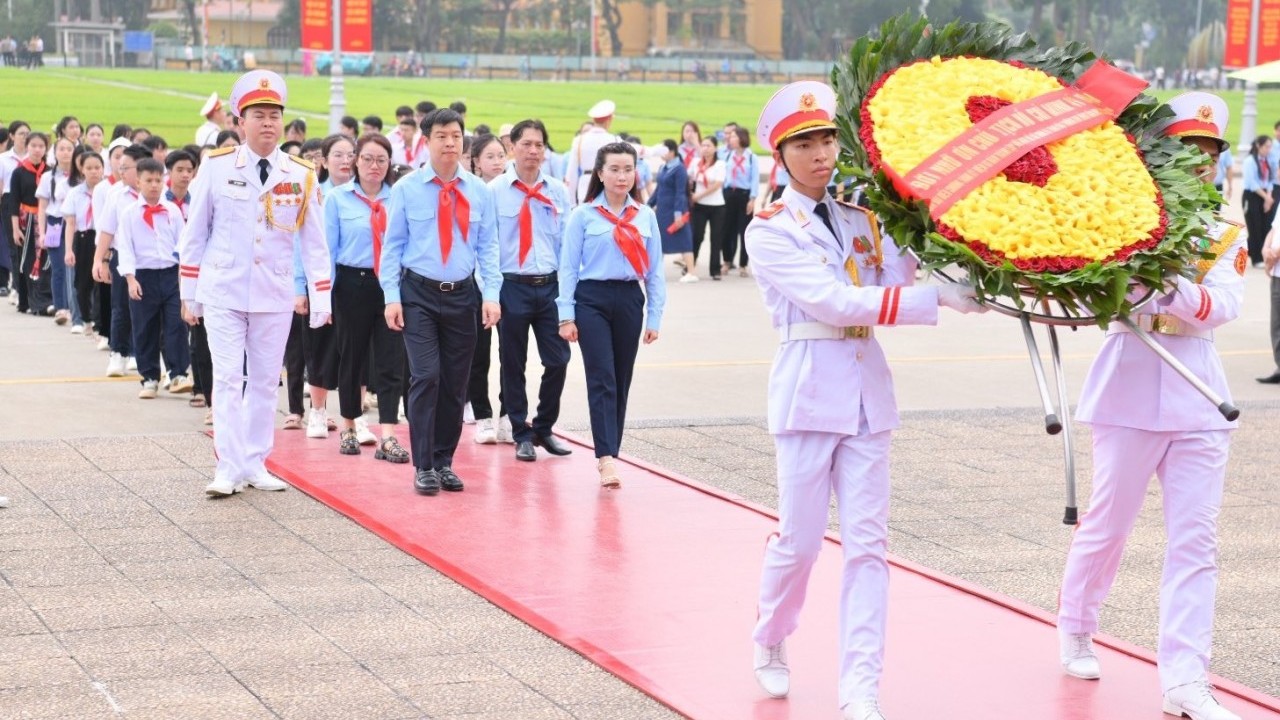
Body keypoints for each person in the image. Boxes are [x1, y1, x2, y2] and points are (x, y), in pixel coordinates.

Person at [744, 81, 985, 720]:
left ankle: (860, 691)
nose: (821, 153)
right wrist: (936, 301)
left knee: (868, 547)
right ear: (781, 154)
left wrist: (937, 239)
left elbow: (892, 276)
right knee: (798, 541)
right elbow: (833, 302)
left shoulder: (859, 216)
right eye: (805, 143)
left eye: (827, 139)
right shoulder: (769, 230)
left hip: (866, 393)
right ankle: (771, 634)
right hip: (808, 386)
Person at [1058, 92, 1247, 720]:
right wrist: (1147, 286)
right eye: (1186, 152)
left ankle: (1185, 680)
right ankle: (1077, 624)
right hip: (1130, 386)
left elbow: (1224, 305)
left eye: (1209, 155)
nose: (1199, 165)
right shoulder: (1124, 217)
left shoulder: (1225, 227)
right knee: (1108, 524)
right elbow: (1099, 300)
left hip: (1198, 394)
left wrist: (1170, 288)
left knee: (1196, 541)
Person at [178, 69, 332, 496]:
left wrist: (320, 295)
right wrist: (189, 293)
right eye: (258, 115)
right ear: (239, 122)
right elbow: (195, 233)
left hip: (273, 292)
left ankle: (255, 461)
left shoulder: (300, 173)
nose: (267, 122)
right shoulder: (216, 167)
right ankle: (227, 466)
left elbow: (314, 242)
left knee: (265, 381)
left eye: (274, 115)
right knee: (227, 378)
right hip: (224, 289)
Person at [380, 107, 501, 497]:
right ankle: (423, 464)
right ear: (426, 140)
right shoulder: (406, 189)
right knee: (426, 375)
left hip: (463, 294)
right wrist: (391, 297)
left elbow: (488, 248)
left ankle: (445, 461)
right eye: (441, 136)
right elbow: (392, 247)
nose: (450, 142)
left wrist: (491, 295)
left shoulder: (478, 191)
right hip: (418, 295)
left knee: (455, 383)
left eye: (455, 136)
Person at [556, 142, 666, 487]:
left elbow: (656, 271)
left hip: (629, 299)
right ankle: (605, 458)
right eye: (615, 170)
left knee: (621, 378)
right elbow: (568, 269)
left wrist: (655, 316)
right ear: (600, 174)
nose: (622, 176)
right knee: (601, 376)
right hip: (591, 300)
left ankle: (611, 449)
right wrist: (566, 315)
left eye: (628, 170)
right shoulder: (583, 215)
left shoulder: (645, 216)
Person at [490, 119, 574, 462]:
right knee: (513, 363)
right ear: (513, 147)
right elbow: (487, 244)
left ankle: (544, 427)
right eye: (526, 144)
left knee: (558, 359)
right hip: (511, 285)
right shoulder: (494, 190)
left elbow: (567, 245)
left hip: (549, 286)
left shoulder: (557, 190)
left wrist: (570, 293)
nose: (533, 151)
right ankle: (520, 432)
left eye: (539, 144)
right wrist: (490, 294)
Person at [324, 133, 409, 462]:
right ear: (355, 161)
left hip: (390, 287)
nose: (374, 166)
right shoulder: (337, 199)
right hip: (351, 284)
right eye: (368, 159)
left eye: (381, 160)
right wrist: (322, 296)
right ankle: (349, 426)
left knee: (391, 360)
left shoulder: (399, 197)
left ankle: (388, 433)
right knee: (352, 358)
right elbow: (328, 250)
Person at [115, 157, 192, 399]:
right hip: (143, 276)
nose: (154, 185)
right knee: (144, 327)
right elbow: (125, 247)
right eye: (149, 180)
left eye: (159, 180)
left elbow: (183, 243)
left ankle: (178, 372)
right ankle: (149, 377)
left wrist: (184, 276)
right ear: (138, 182)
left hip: (170, 275)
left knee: (176, 324)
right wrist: (130, 279)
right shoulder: (129, 214)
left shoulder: (172, 211)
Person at [466, 134, 510, 443]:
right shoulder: (473, 193)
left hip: (510, 283)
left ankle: (508, 414)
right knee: (478, 354)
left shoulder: (514, 192)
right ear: (476, 162)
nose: (497, 162)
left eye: (500, 155)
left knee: (511, 354)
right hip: (478, 285)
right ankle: (481, 413)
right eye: (490, 157)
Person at [93, 144, 150, 377]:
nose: (120, 170)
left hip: (148, 259)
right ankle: (118, 353)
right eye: (119, 166)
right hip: (121, 255)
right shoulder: (116, 193)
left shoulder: (158, 190)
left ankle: (140, 353)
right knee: (120, 307)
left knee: (146, 309)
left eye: (125, 167)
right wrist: (100, 260)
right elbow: (106, 230)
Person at [61, 148, 104, 337]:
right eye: (89, 168)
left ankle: (99, 321)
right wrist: (68, 250)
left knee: (101, 282)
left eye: (97, 167)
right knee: (82, 284)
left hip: (103, 238)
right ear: (82, 170)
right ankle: (85, 318)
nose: (94, 171)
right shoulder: (75, 193)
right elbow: (70, 224)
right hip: (83, 238)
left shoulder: (109, 191)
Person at [10, 132, 53, 316]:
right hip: (26, 221)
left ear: (46, 149)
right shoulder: (19, 171)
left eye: (41, 146)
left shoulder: (50, 171)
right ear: (27, 147)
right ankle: (29, 301)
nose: (37, 150)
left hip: (46, 220)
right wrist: (15, 229)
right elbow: (13, 201)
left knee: (45, 261)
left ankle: (45, 301)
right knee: (27, 261)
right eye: (33, 146)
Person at [37, 137, 75, 326]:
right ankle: (61, 307)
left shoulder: (80, 177)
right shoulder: (47, 177)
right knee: (59, 267)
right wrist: (42, 233)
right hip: (55, 223)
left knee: (75, 268)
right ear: (55, 152)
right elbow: (42, 207)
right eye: (62, 148)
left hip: (75, 224)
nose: (66, 152)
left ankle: (76, 307)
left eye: (70, 148)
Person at [651, 139, 695, 281]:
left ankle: (691, 272)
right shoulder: (663, 167)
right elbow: (658, 189)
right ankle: (655, 270)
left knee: (684, 240)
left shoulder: (680, 169)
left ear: (671, 151)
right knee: (659, 240)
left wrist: (678, 214)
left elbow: (680, 192)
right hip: (663, 211)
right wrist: (648, 204)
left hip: (676, 210)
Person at [564, 100, 619, 203]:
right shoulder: (615, 140)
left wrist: (571, 202)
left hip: (585, 188)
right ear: (609, 120)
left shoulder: (579, 140)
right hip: (608, 187)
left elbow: (571, 173)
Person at [721, 127, 757, 277]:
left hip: (744, 195)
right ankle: (727, 261)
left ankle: (743, 264)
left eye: (734, 136)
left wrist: (752, 199)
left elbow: (754, 179)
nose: (730, 139)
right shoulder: (728, 155)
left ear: (742, 138)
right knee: (726, 230)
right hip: (729, 194)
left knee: (744, 231)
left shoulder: (751, 157)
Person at [690, 136, 726, 280]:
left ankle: (715, 270)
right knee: (697, 237)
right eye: (703, 145)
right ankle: (690, 267)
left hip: (717, 206)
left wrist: (699, 195)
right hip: (699, 207)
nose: (705, 148)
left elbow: (717, 184)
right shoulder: (695, 163)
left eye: (709, 145)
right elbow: (690, 179)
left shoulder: (720, 164)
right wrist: (691, 195)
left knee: (716, 238)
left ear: (715, 148)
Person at [1241, 135, 1272, 267]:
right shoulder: (1249, 161)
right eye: (1266, 146)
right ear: (1259, 146)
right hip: (1251, 196)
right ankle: (1257, 259)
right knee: (1255, 227)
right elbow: (1252, 183)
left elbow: (1269, 180)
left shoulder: (1265, 161)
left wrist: (1268, 197)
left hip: (1264, 195)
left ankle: (1251, 252)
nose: (1268, 149)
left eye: (1270, 147)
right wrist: (1266, 197)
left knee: (1266, 226)